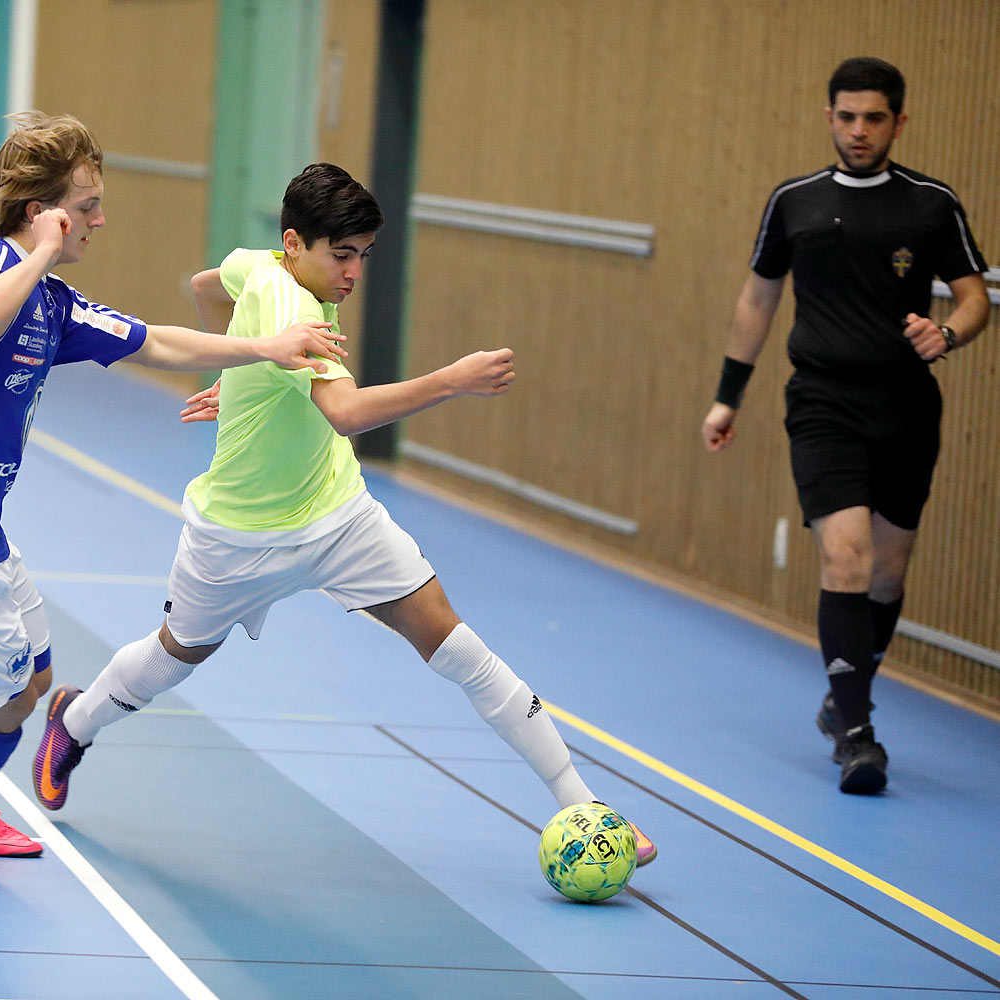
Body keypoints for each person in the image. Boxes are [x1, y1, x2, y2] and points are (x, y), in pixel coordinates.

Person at [32, 162, 657, 867]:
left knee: (454, 644)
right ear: (297, 244)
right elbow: (346, 411)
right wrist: (453, 381)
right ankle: (74, 719)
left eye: (364, 255)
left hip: (337, 515)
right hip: (238, 535)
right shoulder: (293, 305)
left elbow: (209, 285)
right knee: (178, 653)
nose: (354, 273)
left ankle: (584, 805)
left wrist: (237, 379)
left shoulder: (264, 263)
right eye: (342, 255)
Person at [0, 113, 347, 857]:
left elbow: (163, 341)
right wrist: (40, 253)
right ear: (39, 213)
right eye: (85, 207)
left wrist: (267, 347)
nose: (98, 221)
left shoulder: (54, 306)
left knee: (30, 673)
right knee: (7, 693)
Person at [701, 58, 989, 794]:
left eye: (874, 118)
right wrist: (728, 396)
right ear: (829, 117)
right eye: (846, 116)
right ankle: (859, 735)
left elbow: (974, 296)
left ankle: (843, 696)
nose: (859, 130)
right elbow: (759, 300)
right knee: (847, 559)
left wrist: (949, 335)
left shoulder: (930, 205)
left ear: (898, 121)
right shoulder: (793, 202)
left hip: (905, 407)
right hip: (823, 402)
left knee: (888, 575)